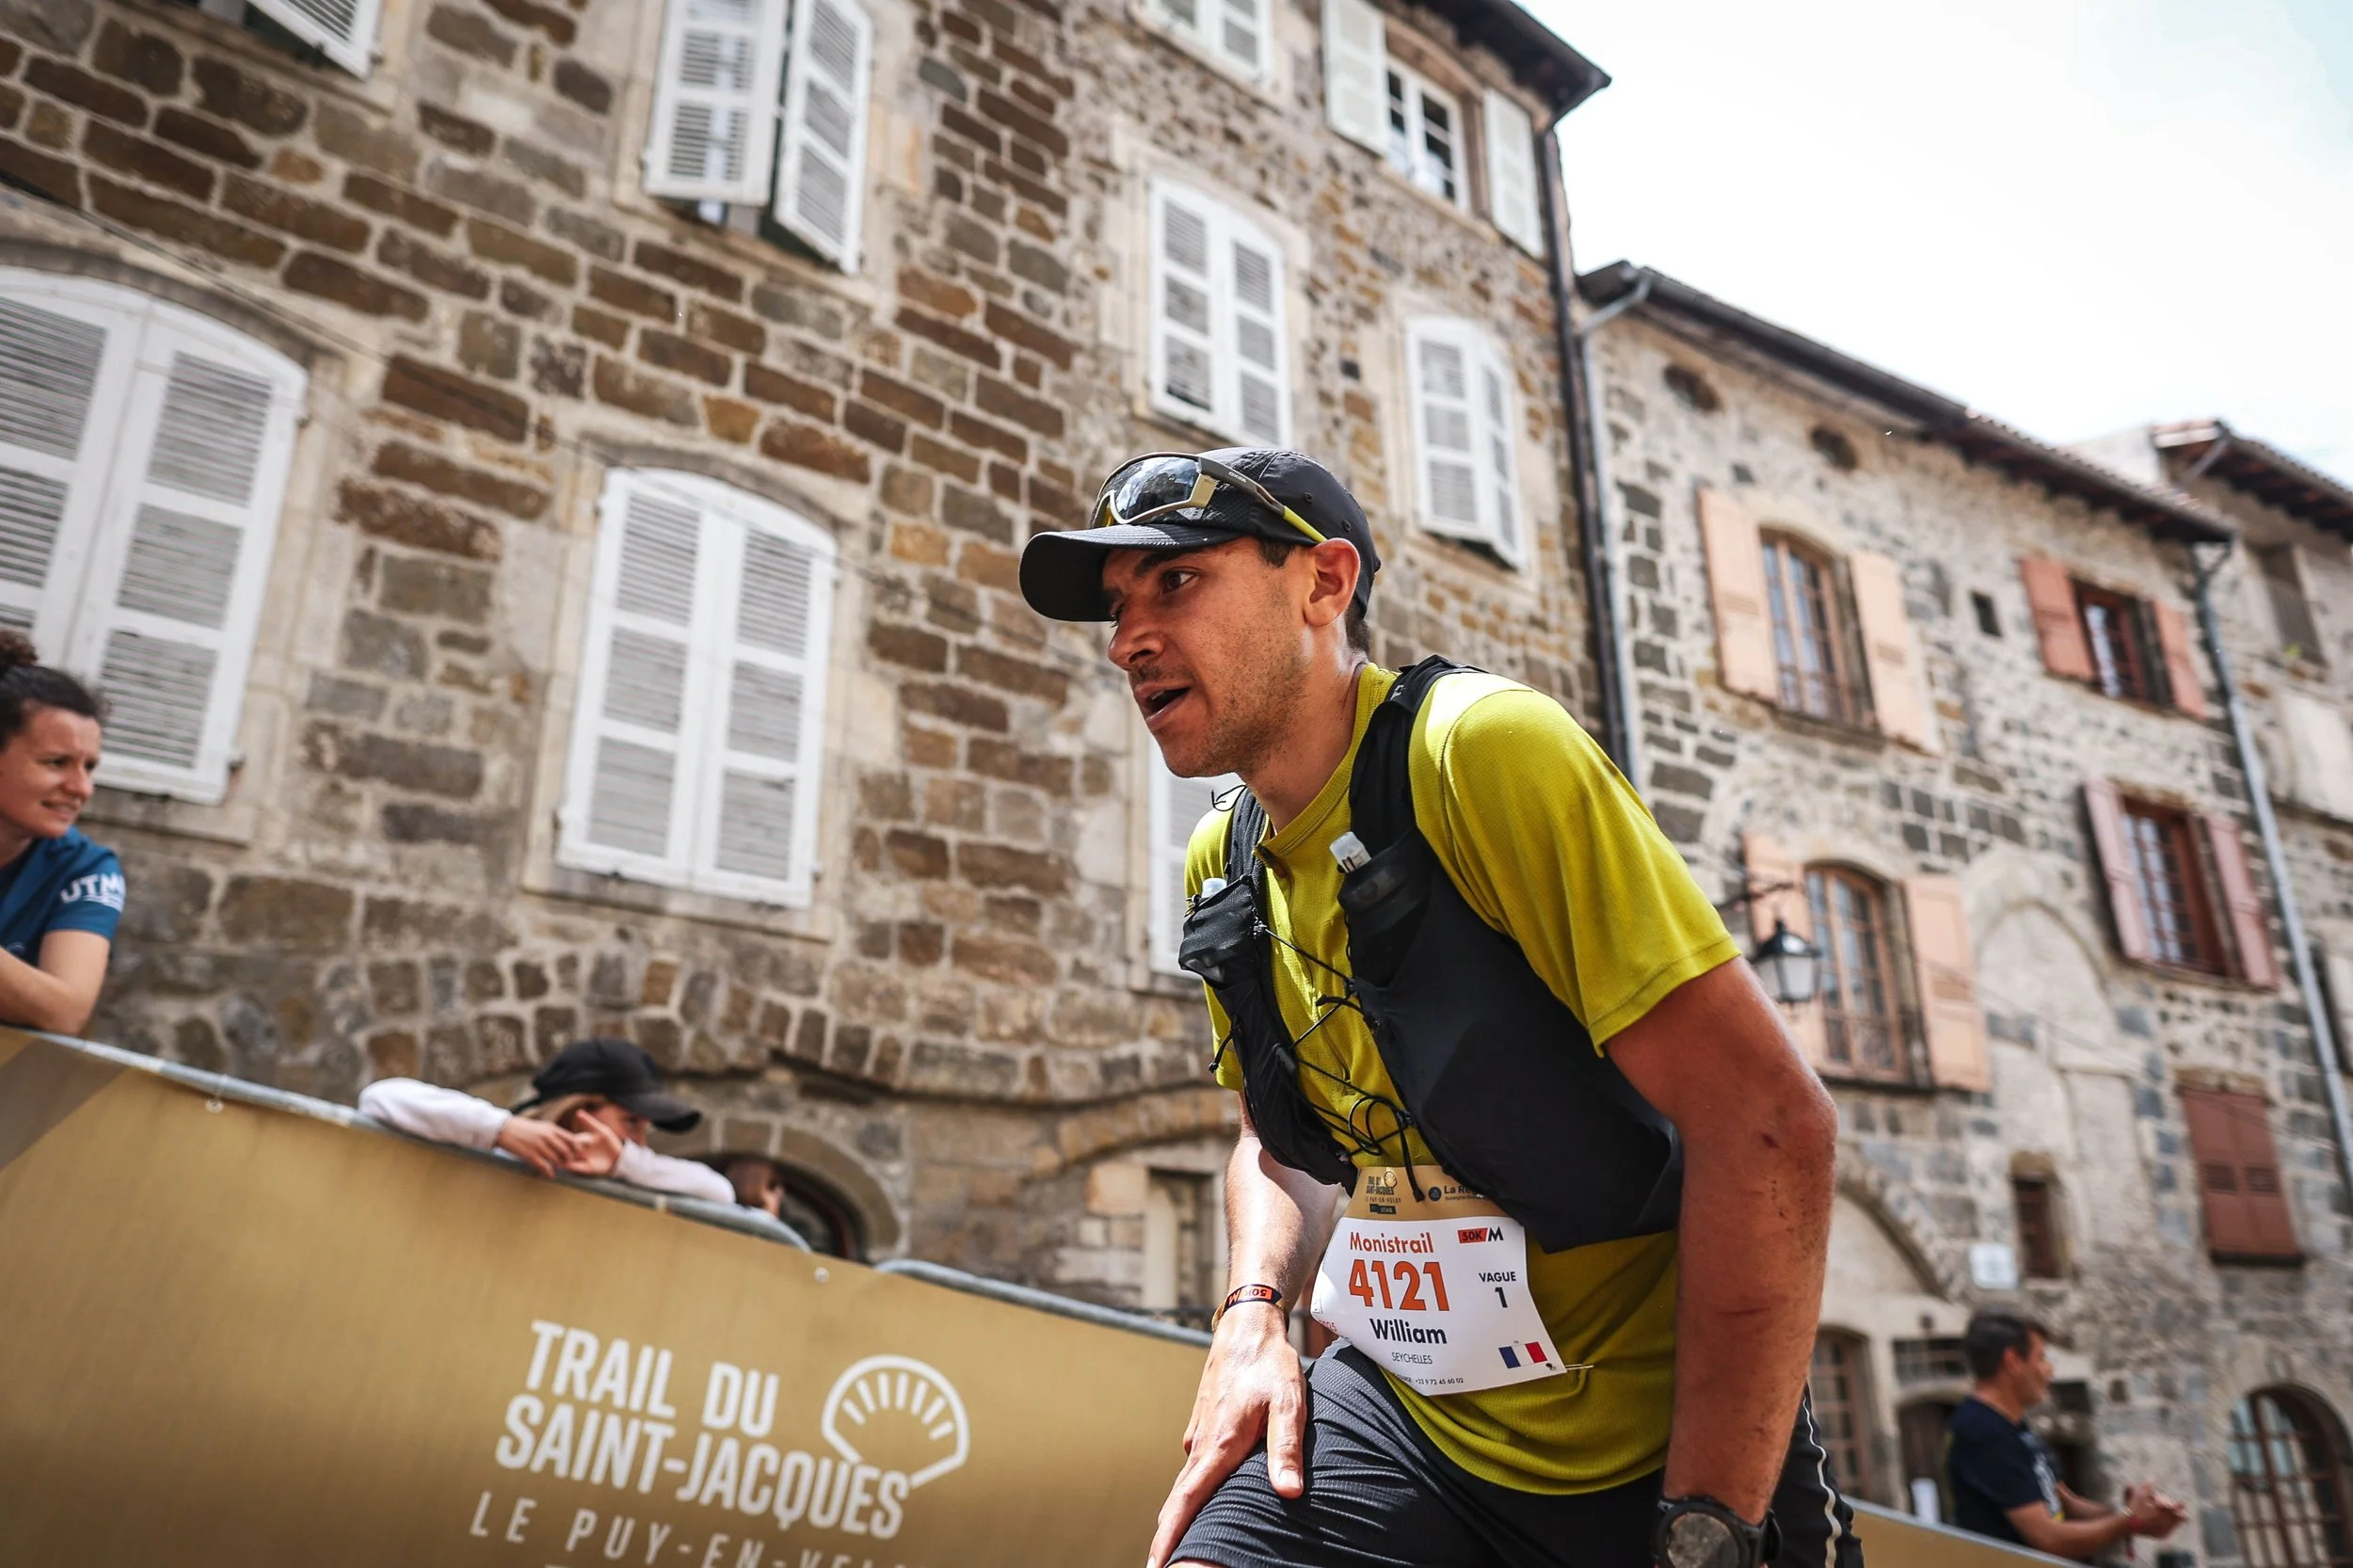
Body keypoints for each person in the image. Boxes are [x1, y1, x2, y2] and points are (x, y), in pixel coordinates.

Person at [1019, 448, 1853, 1568]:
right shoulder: (1226, 855)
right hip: (1404, 1416)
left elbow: (1770, 1125)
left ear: (1323, 583)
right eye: (1118, 607)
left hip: (1658, 1455)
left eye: (1176, 582)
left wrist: (1705, 1526)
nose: (1127, 639)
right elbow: (1278, 1139)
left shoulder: (1479, 750)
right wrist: (1251, 1317)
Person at [359, 1036, 733, 1204]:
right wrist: (499, 1130)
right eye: (630, 1121)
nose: (639, 1140)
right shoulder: (492, 1141)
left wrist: (623, 1163)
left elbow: (720, 1192)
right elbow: (380, 1098)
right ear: (578, 1110)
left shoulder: (631, 1174)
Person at [1945, 1311, 2185, 1560]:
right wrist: (2129, 1522)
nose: (2050, 1371)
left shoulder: (2012, 1427)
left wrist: (2134, 1512)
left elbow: (2067, 1504)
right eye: (2042, 1358)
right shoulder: (1982, 1432)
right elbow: (2048, 1538)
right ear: (2013, 1362)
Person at [0, 632, 120, 1037]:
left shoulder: (86, 869)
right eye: (57, 762)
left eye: (89, 767)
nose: (81, 788)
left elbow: (65, 1011)